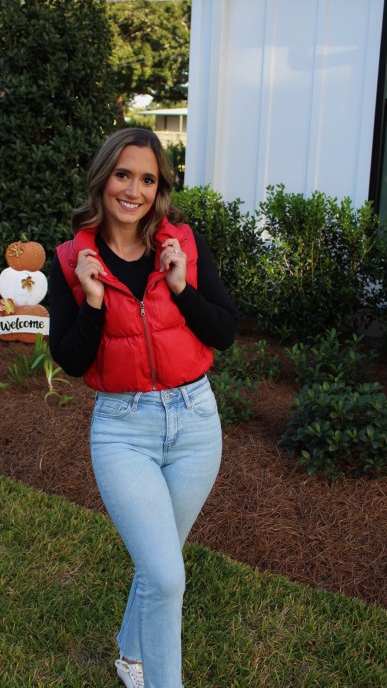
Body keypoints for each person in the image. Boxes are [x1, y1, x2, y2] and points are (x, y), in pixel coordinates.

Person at [49, 128, 238, 688]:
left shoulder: (183, 244)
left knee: (161, 566)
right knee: (166, 574)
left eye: (148, 179)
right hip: (122, 429)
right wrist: (93, 301)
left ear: (160, 189)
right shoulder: (68, 259)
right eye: (124, 174)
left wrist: (181, 288)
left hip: (196, 422)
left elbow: (224, 332)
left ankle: (131, 653)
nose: (134, 190)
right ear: (103, 177)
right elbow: (72, 361)